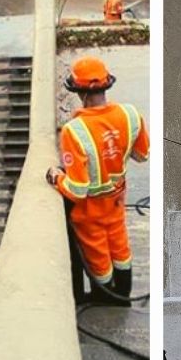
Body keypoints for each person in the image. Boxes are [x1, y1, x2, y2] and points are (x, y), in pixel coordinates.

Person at [47, 57, 148, 299]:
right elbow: (141, 155)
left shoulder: (75, 130)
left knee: (98, 257)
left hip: (90, 210)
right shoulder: (130, 115)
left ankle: (106, 297)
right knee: (120, 247)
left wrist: (56, 177)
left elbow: (78, 189)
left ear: (80, 93)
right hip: (116, 201)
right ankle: (124, 293)